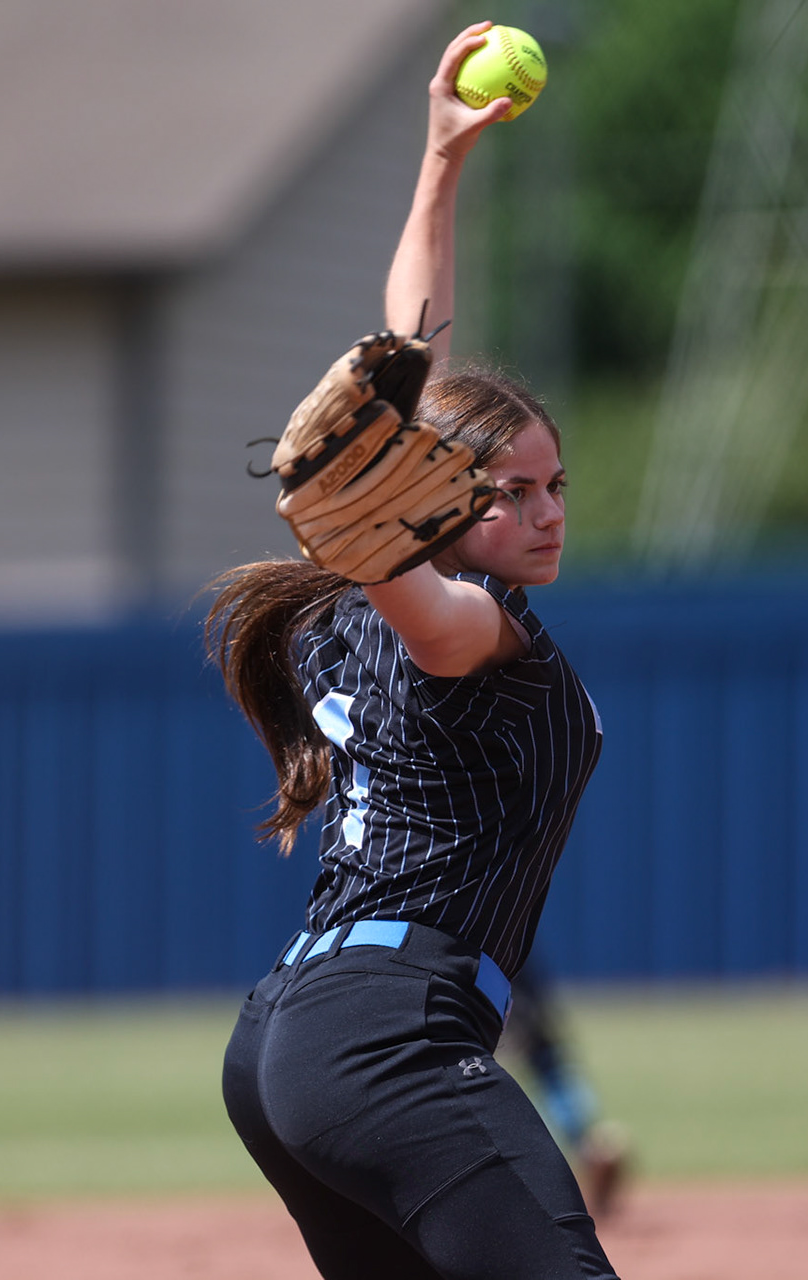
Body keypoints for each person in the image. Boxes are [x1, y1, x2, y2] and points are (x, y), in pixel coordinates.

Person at [206, 23, 619, 1280]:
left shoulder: (352, 599)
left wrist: (440, 165)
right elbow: (428, 602)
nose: (546, 511)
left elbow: (418, 359)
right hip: (387, 1037)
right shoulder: (464, 624)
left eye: (558, 485)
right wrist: (383, 534)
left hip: (290, 1040)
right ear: (443, 504)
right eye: (515, 492)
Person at [499, 952, 631, 1221]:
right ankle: (589, 1144)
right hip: (510, 958)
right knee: (545, 1058)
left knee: (463, 1065)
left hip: (449, 961)